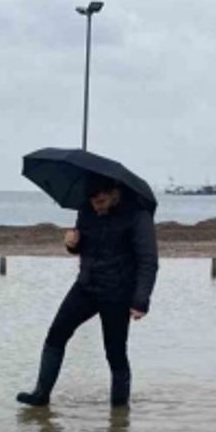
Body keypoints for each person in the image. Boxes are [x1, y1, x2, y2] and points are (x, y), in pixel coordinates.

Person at [17, 173, 159, 407]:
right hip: (86, 286)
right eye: (92, 200)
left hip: (118, 292)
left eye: (100, 201)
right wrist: (72, 244)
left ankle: (119, 412)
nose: (96, 205)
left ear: (114, 193)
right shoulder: (86, 210)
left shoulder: (138, 215)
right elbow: (83, 247)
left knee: (115, 353)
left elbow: (148, 261)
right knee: (56, 335)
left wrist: (140, 300)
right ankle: (41, 394)